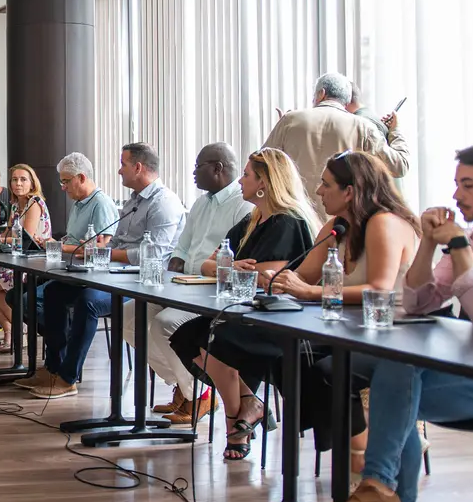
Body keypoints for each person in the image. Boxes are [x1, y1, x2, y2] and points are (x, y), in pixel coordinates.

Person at [323, 141, 473, 502]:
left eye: (468, 185)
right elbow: (416, 301)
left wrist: (459, 245)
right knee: (396, 379)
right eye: (456, 184)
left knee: (394, 393)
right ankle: (383, 496)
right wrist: (429, 243)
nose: (456, 195)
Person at [173, 150, 418, 462]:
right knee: (234, 342)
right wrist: (276, 279)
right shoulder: (337, 227)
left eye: (326, 185)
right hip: (340, 325)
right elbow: (302, 275)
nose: (318, 191)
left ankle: (364, 459)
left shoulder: (383, 223)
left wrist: (309, 292)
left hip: (387, 332)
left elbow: (379, 289)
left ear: (350, 191)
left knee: (309, 366)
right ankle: (350, 452)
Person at [166, 149, 321, 457]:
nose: (240, 180)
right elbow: (211, 265)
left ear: (265, 182)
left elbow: (274, 275)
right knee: (185, 336)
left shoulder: (288, 222)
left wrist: (232, 268)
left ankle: (235, 421)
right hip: (242, 311)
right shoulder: (252, 221)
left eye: (248, 175)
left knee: (215, 339)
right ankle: (248, 404)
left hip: (278, 319)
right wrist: (232, 267)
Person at [121, 143, 252, 423]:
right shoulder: (201, 202)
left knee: (164, 324)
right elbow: (181, 249)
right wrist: (173, 276)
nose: (193, 173)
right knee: (127, 316)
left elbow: (237, 262)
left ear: (218, 168)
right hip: (185, 283)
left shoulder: (243, 205)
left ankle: (199, 395)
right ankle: (189, 387)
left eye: (198, 167)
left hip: (213, 292)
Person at [18, 152, 117, 400]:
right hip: (74, 272)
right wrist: (55, 243)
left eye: (65, 181)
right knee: (48, 295)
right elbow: (75, 244)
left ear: (81, 178)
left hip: (99, 279)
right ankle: (52, 367)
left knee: (82, 303)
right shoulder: (79, 204)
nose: (62, 188)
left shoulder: (101, 204)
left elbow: (99, 250)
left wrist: (60, 247)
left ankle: (67, 375)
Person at [263, 72, 409, 219]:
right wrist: (394, 131)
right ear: (346, 102)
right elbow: (399, 166)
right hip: (338, 224)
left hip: (294, 219)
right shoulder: (363, 127)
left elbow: (261, 162)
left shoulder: (291, 120)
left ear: (321, 94)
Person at [0, 164, 51, 356]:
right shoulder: (16, 205)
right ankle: (10, 329)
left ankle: (19, 329)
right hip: (18, 260)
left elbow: (26, 239)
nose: (18, 183)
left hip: (36, 264)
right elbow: (8, 232)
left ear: (32, 182)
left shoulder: (34, 203)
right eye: (15, 180)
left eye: (23, 179)